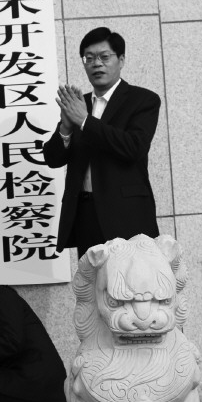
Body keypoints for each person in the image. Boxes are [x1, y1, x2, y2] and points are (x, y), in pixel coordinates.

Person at [43, 26, 161, 259]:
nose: (96, 64)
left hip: (126, 214)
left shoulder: (143, 100)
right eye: (89, 58)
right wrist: (66, 127)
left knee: (130, 280)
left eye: (104, 57)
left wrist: (84, 121)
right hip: (85, 213)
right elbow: (53, 159)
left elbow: (134, 147)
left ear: (121, 60)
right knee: (94, 279)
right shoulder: (80, 104)